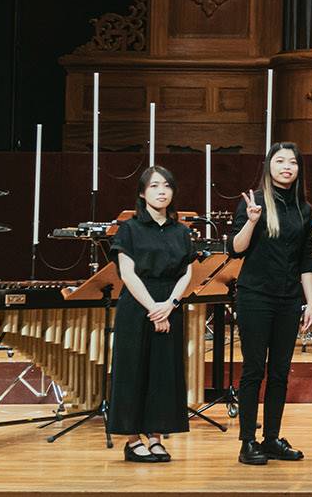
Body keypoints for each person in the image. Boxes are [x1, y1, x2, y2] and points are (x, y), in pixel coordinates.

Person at [230, 142, 312, 465]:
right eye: (280, 161)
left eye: (292, 162)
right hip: (255, 296)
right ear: (268, 166)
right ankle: (247, 442)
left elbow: (306, 260)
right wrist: (251, 221)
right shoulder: (255, 202)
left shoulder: (302, 208)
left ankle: (270, 439)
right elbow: (236, 249)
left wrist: (310, 303)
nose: (286, 167)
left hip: (288, 298)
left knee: (280, 373)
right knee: (254, 370)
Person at [108, 165, 193, 463]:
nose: (162, 191)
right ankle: (133, 440)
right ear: (142, 193)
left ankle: (156, 436)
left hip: (169, 305)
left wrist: (169, 304)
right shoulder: (129, 228)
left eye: (167, 186)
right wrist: (153, 308)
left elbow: (187, 272)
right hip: (137, 306)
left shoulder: (181, 230)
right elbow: (128, 274)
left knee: (162, 373)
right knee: (133, 371)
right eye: (155, 186)